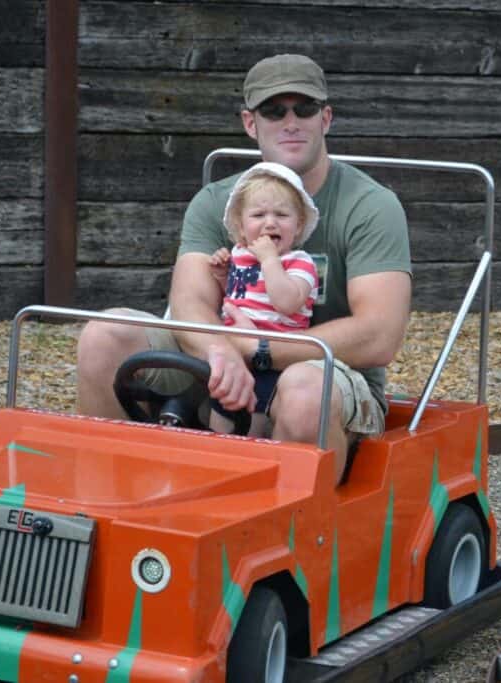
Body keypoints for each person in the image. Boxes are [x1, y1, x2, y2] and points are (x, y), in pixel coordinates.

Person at [77, 53, 412, 484]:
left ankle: (291, 538)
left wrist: (257, 349)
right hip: (224, 355)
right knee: (103, 336)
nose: (290, 121)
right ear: (250, 123)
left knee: (304, 392)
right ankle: (113, 504)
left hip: (326, 375)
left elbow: (379, 335)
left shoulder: (370, 206)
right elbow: (189, 299)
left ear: (325, 118)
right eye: (274, 111)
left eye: (304, 108)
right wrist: (218, 350)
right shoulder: (218, 202)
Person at [207, 161, 320, 436]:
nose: (270, 222)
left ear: (299, 224)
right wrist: (223, 276)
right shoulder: (239, 255)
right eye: (258, 215)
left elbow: (287, 302)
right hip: (232, 356)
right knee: (219, 419)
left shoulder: (300, 263)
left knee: (254, 427)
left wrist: (269, 259)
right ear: (241, 227)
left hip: (272, 361)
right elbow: (238, 297)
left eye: (282, 214)